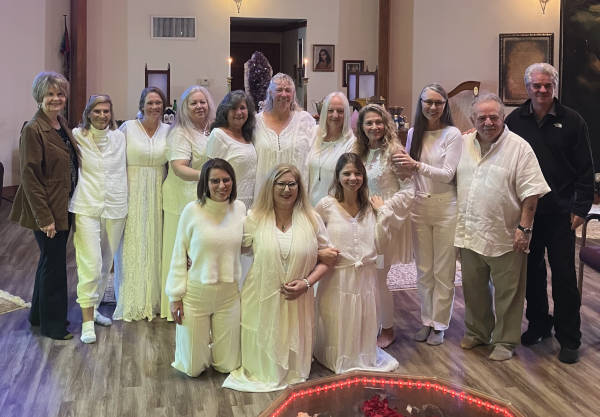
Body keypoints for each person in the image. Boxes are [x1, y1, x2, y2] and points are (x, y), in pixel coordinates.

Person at [505, 63, 594, 364]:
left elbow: (585, 170)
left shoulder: (573, 121)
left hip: (561, 213)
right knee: (531, 275)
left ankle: (570, 338)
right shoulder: (514, 120)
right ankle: (540, 325)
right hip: (527, 214)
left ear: (555, 86)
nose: (542, 90)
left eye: (547, 85)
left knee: (565, 277)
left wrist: (580, 209)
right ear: (526, 87)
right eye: (536, 85)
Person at [455, 93, 550, 361]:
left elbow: (531, 193)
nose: (488, 122)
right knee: (474, 290)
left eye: (493, 117)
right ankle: (477, 333)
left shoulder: (519, 148)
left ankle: (506, 341)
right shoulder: (463, 144)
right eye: (481, 117)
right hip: (470, 231)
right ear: (473, 119)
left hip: (506, 234)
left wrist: (525, 228)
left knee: (509, 293)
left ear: (502, 117)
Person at [223, 164, 331, 392]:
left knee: (294, 368)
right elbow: (231, 246)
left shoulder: (312, 218)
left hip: (299, 299)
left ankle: (291, 368)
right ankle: (262, 368)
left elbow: (328, 259)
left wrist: (307, 283)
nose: (286, 189)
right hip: (261, 296)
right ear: (270, 188)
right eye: (280, 184)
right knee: (262, 357)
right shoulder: (255, 218)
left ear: (299, 188)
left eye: (292, 184)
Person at [314, 153, 399, 373]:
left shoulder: (372, 206)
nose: (353, 178)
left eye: (358, 173)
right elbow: (311, 233)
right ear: (338, 176)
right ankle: (338, 354)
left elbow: (381, 245)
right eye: (347, 173)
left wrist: (383, 213)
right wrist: (321, 252)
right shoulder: (326, 205)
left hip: (365, 275)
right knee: (336, 316)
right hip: (337, 275)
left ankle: (360, 353)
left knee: (363, 316)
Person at [10, 71, 79, 340]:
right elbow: (30, 177)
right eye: (50, 94)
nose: (56, 98)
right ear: (39, 96)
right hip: (48, 210)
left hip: (64, 203)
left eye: (60, 93)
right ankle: (53, 326)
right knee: (55, 266)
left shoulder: (61, 124)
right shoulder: (33, 129)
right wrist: (44, 217)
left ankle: (38, 315)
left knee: (48, 261)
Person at [391, 84, 462, 346]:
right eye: (427, 102)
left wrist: (415, 165)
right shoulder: (413, 132)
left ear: (445, 105)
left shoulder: (452, 134)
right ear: (420, 103)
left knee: (443, 269)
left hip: (446, 206)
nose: (432, 107)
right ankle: (426, 320)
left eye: (438, 103)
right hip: (419, 206)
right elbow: (410, 173)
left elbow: (448, 174)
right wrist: (398, 166)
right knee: (423, 269)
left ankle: (440, 324)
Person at [165, 158, 246, 377]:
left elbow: (248, 242)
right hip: (195, 296)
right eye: (215, 181)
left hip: (229, 296)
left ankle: (214, 348)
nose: (222, 186)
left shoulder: (240, 209)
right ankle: (200, 347)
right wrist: (175, 297)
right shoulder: (192, 210)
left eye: (226, 180)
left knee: (228, 367)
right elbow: (178, 254)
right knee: (192, 369)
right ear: (205, 183)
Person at [354, 104, 415, 348]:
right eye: (368, 123)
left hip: (384, 222)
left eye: (378, 122)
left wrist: (384, 209)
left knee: (379, 276)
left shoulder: (395, 151)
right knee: (362, 275)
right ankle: (367, 324)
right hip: (359, 221)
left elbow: (410, 190)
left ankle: (387, 328)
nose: (374, 127)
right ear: (362, 127)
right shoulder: (359, 151)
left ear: (386, 124)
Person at [69, 95, 127, 343]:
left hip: (115, 205)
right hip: (86, 206)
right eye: (97, 111)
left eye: (106, 111)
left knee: (105, 263)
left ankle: (94, 311)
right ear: (88, 113)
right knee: (89, 264)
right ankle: (86, 322)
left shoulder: (120, 137)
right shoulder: (77, 136)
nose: (102, 115)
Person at [160, 86, 216, 320]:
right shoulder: (180, 132)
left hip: (200, 197)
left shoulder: (208, 130)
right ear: (184, 107)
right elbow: (179, 167)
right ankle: (174, 304)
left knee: (197, 252)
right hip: (180, 200)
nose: (199, 106)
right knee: (179, 252)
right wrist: (210, 175)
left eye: (203, 102)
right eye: (193, 103)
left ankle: (196, 300)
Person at [113, 87, 169, 321]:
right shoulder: (128, 128)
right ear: (142, 105)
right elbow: (115, 160)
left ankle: (154, 299)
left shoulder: (169, 130)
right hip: (131, 190)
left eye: (158, 103)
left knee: (155, 243)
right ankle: (131, 299)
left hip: (158, 190)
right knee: (131, 244)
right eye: (150, 102)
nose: (154, 107)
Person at [253, 73, 316, 199]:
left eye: (288, 90)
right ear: (270, 93)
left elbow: (314, 156)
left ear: (293, 95)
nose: (284, 94)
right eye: (279, 90)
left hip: (296, 197)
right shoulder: (255, 123)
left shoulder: (305, 121)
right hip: (264, 197)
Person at [207, 90, 257, 209]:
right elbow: (210, 174)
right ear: (226, 111)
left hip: (251, 202)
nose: (239, 112)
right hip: (228, 203)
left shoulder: (248, 136)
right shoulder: (218, 135)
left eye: (242, 108)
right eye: (234, 108)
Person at [307, 91, 355, 206]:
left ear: (346, 114)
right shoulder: (313, 134)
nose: (335, 115)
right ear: (324, 112)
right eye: (330, 111)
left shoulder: (351, 144)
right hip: (309, 209)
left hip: (335, 210)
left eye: (340, 111)